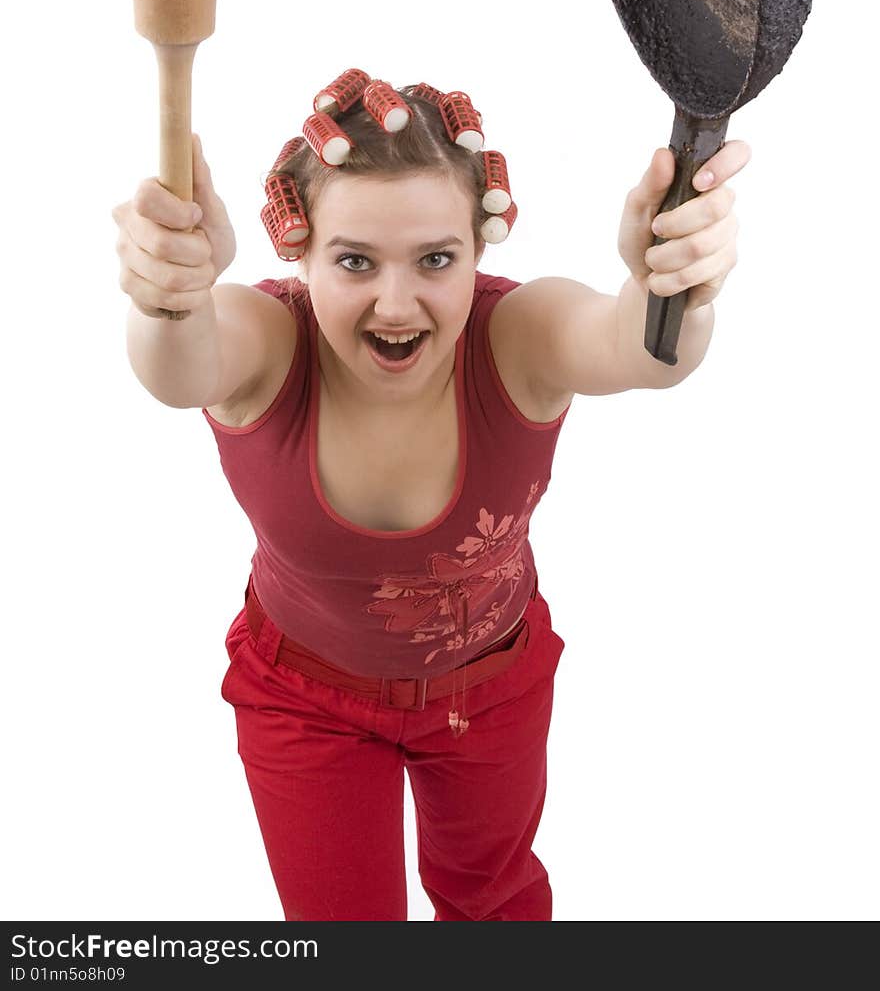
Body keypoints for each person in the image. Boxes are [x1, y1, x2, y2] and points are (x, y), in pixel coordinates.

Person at [111, 74, 749, 921]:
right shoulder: (268, 344)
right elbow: (177, 367)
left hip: (491, 688)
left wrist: (671, 288)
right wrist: (170, 298)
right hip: (305, 702)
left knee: (496, 910)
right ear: (298, 253)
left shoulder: (516, 335)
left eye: (436, 260)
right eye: (354, 261)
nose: (397, 302)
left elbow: (645, 351)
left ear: (479, 252)